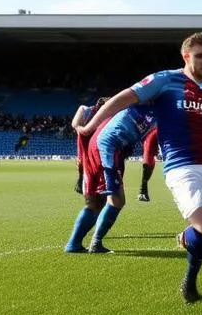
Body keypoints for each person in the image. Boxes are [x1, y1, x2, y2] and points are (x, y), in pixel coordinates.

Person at [78, 32, 202, 303]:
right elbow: (123, 98)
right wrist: (92, 124)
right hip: (182, 168)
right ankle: (189, 283)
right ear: (186, 56)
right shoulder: (165, 80)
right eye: (200, 56)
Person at [65, 103, 156, 254]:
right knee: (116, 200)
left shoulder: (97, 113)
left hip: (90, 154)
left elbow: (81, 110)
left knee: (95, 202)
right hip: (105, 152)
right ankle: (95, 243)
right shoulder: (121, 113)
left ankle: (74, 244)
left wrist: (79, 127)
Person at [71, 97, 107, 192]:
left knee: (94, 164)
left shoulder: (106, 116)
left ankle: (96, 185)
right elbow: (75, 124)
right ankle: (85, 183)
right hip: (86, 141)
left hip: (94, 141)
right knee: (85, 162)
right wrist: (81, 129)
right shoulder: (86, 110)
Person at [138, 125, 159, 201]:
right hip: (149, 147)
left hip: (151, 147)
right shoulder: (158, 129)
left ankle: (143, 192)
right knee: (147, 169)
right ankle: (142, 193)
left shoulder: (157, 129)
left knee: (148, 170)